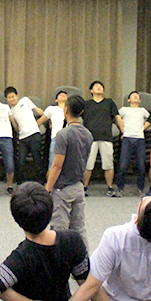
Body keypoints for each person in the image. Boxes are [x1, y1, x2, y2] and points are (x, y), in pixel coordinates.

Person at [45, 95, 93, 244]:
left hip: (62, 189)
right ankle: (83, 256)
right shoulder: (88, 134)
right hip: (78, 186)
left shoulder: (63, 134)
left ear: (65, 110)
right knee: (79, 228)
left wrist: (47, 189)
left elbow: (57, 166)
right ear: (82, 112)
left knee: (59, 230)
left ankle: (60, 258)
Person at [81, 81, 123, 197]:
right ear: (91, 91)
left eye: (101, 86)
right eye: (96, 86)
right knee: (88, 164)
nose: (99, 88)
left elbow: (117, 117)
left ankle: (109, 187)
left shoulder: (109, 103)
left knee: (108, 164)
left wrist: (123, 131)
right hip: (90, 138)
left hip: (106, 137)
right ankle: (84, 187)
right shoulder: (86, 104)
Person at [6, 86, 45, 185]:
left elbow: (38, 110)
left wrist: (46, 117)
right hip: (22, 138)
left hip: (34, 134)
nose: (12, 99)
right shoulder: (10, 111)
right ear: (7, 99)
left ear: (17, 95)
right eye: (9, 98)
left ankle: (41, 181)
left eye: (13, 96)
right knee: (21, 161)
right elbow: (15, 126)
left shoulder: (25, 100)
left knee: (37, 159)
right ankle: (20, 182)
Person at [116, 91, 150, 197]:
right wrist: (122, 130)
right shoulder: (123, 110)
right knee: (123, 165)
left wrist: (143, 128)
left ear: (140, 100)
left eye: (137, 96)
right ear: (129, 100)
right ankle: (120, 188)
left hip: (140, 139)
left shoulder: (143, 110)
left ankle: (140, 189)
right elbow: (116, 118)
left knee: (141, 166)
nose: (135, 97)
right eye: (133, 96)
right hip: (127, 138)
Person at [39, 90, 68, 166]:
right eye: (60, 95)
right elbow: (40, 121)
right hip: (56, 137)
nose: (63, 95)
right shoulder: (52, 109)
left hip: (69, 139)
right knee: (53, 163)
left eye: (65, 95)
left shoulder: (70, 110)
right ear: (56, 100)